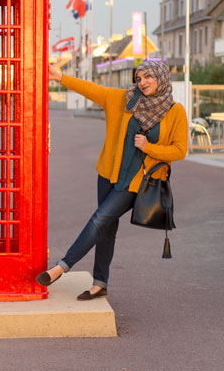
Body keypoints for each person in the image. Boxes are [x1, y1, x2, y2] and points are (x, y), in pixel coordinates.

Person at [36, 60, 187, 300]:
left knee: (100, 219)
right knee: (107, 229)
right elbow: (92, 89)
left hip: (138, 182)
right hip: (108, 174)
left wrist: (150, 148)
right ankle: (100, 283)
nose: (143, 82)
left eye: (148, 76)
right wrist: (60, 78)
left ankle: (61, 266)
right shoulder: (124, 99)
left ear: (161, 77)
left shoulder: (174, 111)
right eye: (139, 78)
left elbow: (180, 150)